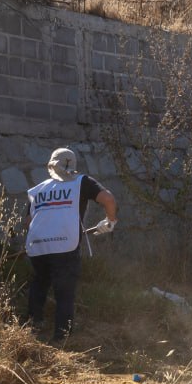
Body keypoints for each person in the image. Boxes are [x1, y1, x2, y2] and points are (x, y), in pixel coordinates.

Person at [22, 147, 118, 343]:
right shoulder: (81, 182)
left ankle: (32, 327)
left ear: (50, 165)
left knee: (39, 283)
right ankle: (61, 337)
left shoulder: (39, 189)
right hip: (65, 245)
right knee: (64, 291)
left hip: (38, 246)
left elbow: (28, 221)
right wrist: (111, 220)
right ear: (73, 166)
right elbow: (108, 199)